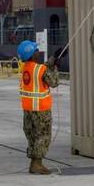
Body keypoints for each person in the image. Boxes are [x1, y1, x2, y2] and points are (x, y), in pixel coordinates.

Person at [18, 39, 58, 175]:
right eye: (36, 50)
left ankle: (33, 163)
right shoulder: (41, 69)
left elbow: (39, 71)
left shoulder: (26, 68)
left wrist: (49, 63)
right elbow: (54, 82)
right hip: (41, 110)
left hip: (28, 110)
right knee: (43, 136)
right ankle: (37, 164)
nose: (38, 52)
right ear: (32, 54)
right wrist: (53, 67)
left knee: (33, 136)